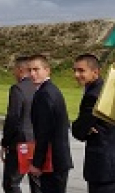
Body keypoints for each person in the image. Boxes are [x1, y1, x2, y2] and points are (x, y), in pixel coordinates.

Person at [71, 53, 115, 193]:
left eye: (81, 70)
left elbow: (79, 131)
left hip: (103, 167)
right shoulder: (107, 88)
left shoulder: (93, 95)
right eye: (75, 70)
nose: (76, 75)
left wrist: (79, 126)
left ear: (95, 72)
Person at [28, 54, 73, 193]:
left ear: (47, 70)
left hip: (52, 160)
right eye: (30, 70)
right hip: (59, 158)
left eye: (36, 69)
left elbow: (44, 133)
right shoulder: (52, 90)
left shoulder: (44, 94)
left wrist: (36, 163)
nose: (32, 74)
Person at [0, 56, 40, 193]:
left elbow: (13, 118)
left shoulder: (18, 89)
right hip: (37, 141)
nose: (13, 74)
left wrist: (5, 142)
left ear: (20, 70)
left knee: (11, 182)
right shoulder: (39, 87)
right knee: (36, 182)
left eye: (14, 70)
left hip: (21, 142)